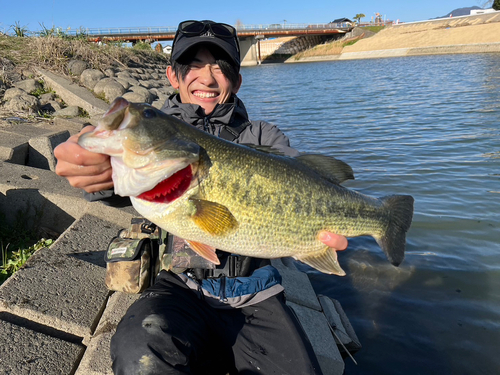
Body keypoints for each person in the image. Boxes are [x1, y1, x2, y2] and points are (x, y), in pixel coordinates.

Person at [54, 19, 348, 375]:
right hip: (178, 284)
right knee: (139, 355)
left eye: (220, 66)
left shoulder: (263, 135)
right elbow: (114, 184)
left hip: (256, 292)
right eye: (193, 65)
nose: (207, 78)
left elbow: (294, 176)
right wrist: (94, 172)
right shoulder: (158, 135)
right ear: (172, 76)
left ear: (237, 81)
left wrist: (315, 230)